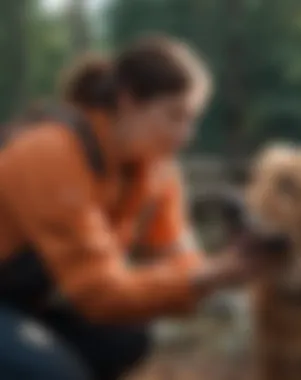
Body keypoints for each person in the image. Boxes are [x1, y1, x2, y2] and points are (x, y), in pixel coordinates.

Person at [0, 35, 252, 380]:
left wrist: (222, 270)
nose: (188, 134)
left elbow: (178, 259)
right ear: (129, 101)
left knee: (126, 338)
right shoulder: (50, 153)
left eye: (194, 119)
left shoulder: (155, 169)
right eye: (175, 116)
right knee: (54, 374)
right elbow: (98, 293)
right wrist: (215, 274)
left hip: (25, 300)